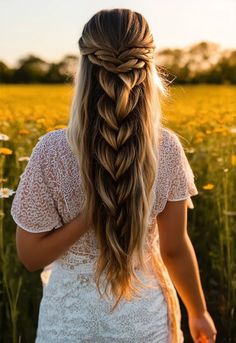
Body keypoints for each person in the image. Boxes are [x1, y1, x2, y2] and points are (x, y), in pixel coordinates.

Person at [10, 8, 217, 343]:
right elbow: (175, 249)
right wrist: (198, 312)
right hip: (144, 324)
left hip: (68, 325)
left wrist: (89, 216)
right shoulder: (166, 148)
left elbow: (30, 257)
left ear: (84, 67)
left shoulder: (52, 151)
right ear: (148, 68)